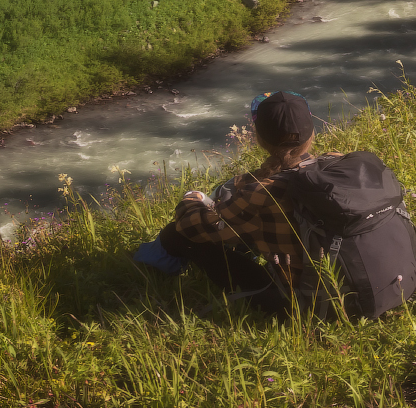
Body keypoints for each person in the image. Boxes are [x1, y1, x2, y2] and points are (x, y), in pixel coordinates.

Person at [133, 91, 331, 312]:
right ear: (311, 133)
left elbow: (191, 227)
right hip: (363, 291)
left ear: (260, 138)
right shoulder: (339, 164)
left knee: (176, 234)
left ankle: (143, 274)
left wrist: (191, 200)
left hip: (304, 304)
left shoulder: (262, 192)